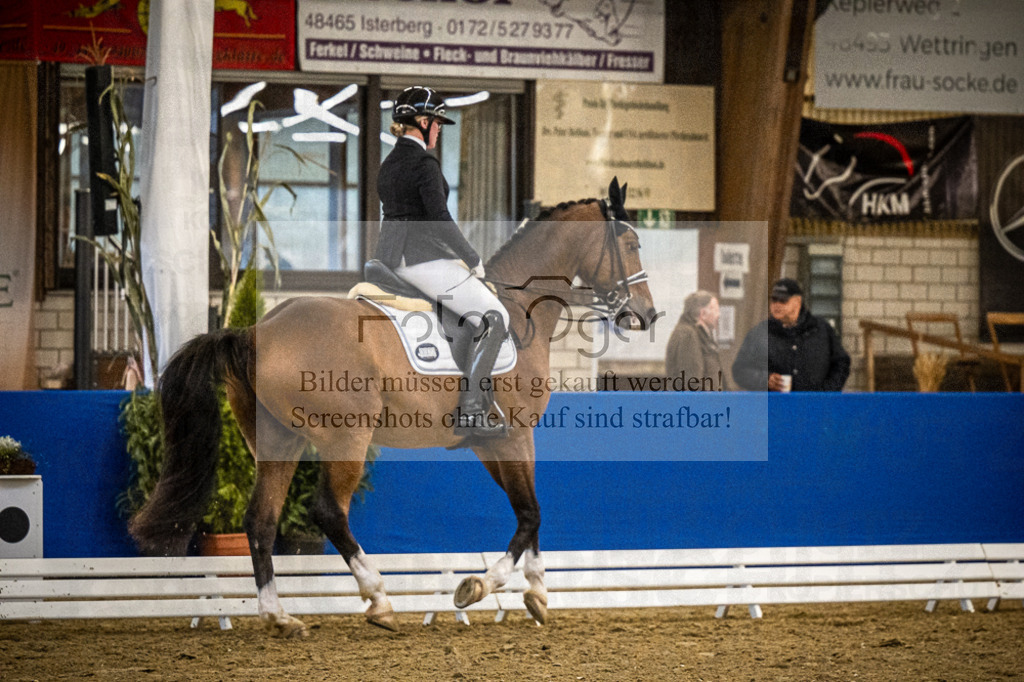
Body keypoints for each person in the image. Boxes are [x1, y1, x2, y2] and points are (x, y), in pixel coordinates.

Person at [375, 86, 510, 438]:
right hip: (422, 260)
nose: (438, 129)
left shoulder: (388, 163)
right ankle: (472, 411)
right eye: (436, 123)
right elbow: (438, 218)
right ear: (421, 122)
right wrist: (472, 257)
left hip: (392, 257)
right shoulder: (424, 164)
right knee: (496, 317)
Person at [732, 278, 850, 392]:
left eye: (783, 300)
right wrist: (765, 380)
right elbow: (739, 370)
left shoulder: (821, 329)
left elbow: (841, 363)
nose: (777, 305)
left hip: (814, 407)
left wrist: (826, 393)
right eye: (774, 300)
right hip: (774, 407)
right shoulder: (760, 332)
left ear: (797, 302)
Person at [665, 290, 728, 390]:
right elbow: (692, 383)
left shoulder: (698, 334)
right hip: (700, 404)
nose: (719, 315)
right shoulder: (688, 335)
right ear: (703, 314)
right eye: (716, 310)